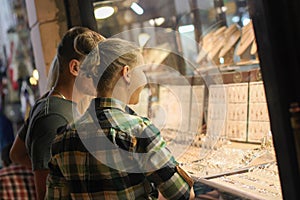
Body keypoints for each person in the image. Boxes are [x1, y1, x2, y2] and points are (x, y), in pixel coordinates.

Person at [46, 38, 195, 199]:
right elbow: (183, 194)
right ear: (127, 73)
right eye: (142, 71)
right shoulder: (139, 131)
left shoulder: (62, 138)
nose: (145, 79)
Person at [9, 26, 105, 200]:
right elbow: (46, 194)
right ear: (75, 68)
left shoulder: (51, 104)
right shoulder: (54, 117)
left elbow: (16, 153)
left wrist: (61, 170)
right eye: (98, 69)